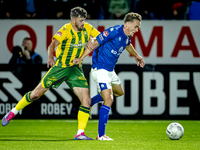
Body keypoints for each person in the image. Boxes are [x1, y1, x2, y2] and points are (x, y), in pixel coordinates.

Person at [2, 6, 100, 140]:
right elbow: (52, 45)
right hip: (60, 67)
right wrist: (50, 57)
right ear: (73, 20)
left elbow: (100, 37)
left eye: (84, 20)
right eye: (81, 20)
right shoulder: (65, 30)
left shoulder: (88, 28)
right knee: (36, 94)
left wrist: (94, 41)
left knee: (86, 101)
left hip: (75, 69)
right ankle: (12, 112)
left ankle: (80, 133)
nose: (83, 23)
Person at [73, 12, 145, 140]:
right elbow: (94, 43)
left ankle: (90, 103)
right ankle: (101, 135)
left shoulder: (127, 36)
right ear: (127, 24)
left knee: (119, 92)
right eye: (136, 26)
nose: (137, 30)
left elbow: (127, 45)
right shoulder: (114, 31)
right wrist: (80, 58)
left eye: (138, 27)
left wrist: (137, 56)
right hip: (100, 69)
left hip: (110, 71)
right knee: (109, 98)